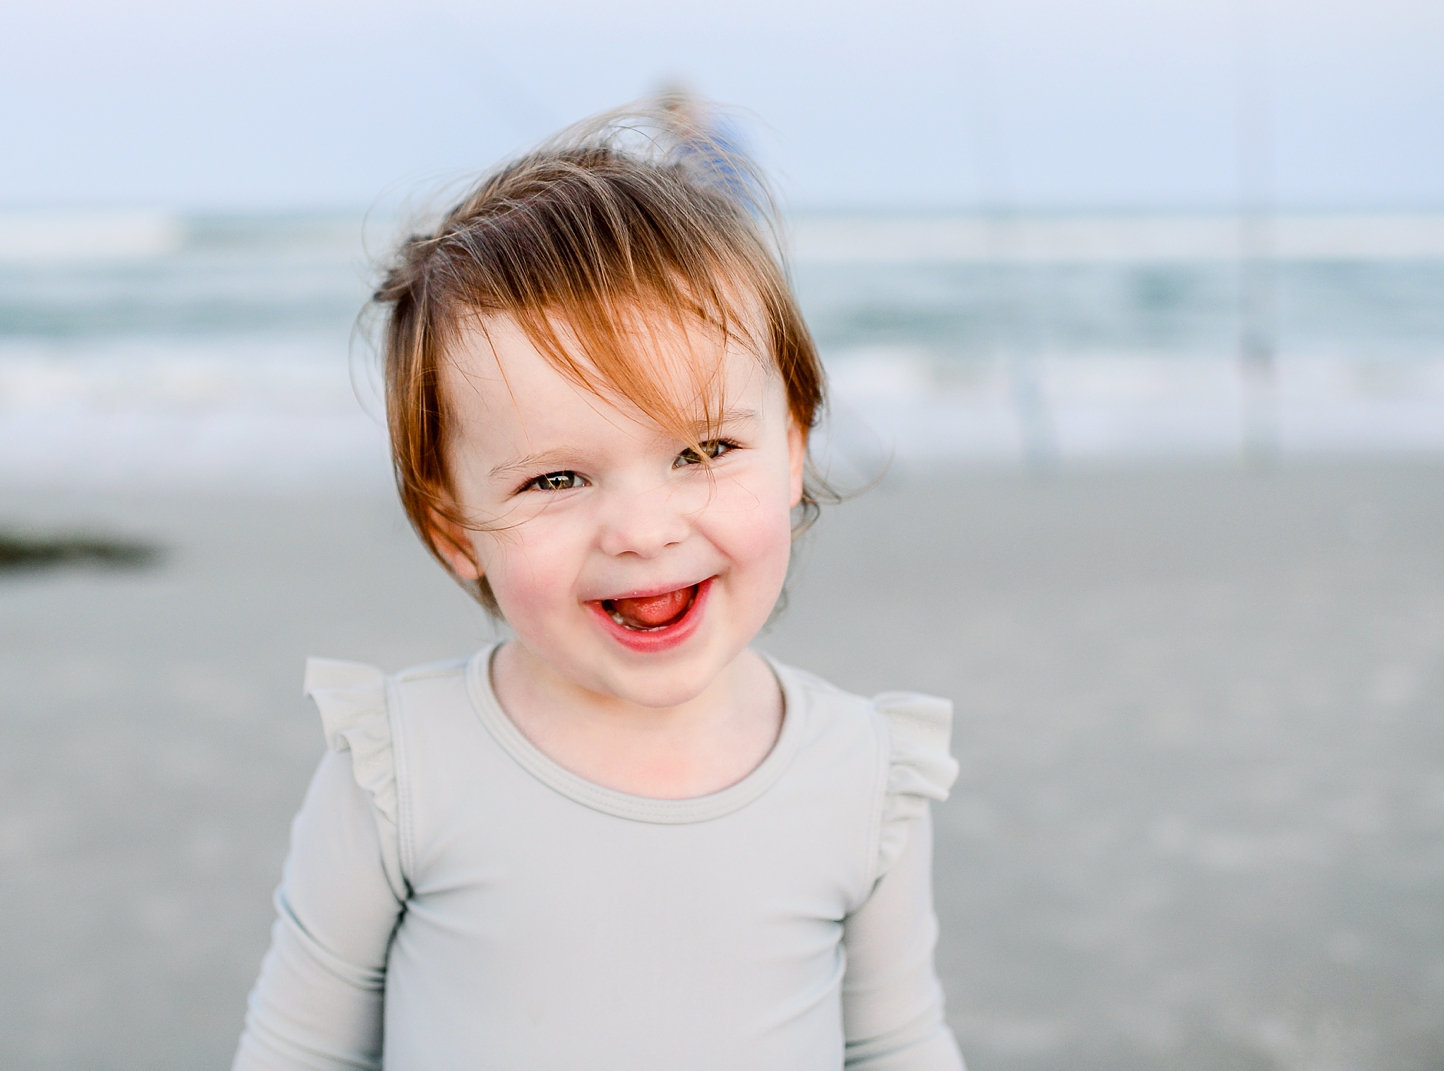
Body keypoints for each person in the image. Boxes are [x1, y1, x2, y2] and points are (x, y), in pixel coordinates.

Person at [232, 106, 964, 1071]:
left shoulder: (864, 776)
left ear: (791, 448)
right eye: (557, 478)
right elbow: (298, 1049)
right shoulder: (399, 772)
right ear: (454, 525)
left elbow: (894, 1042)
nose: (643, 529)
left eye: (703, 450)